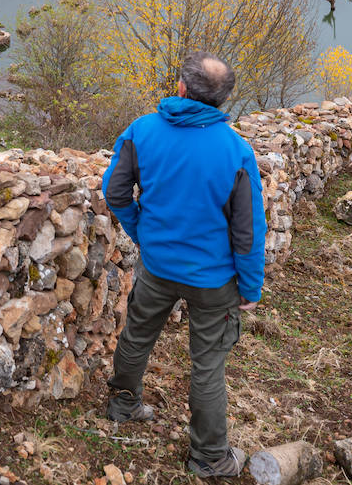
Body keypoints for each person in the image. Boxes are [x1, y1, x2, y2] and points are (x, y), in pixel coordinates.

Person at [100, 51, 266, 479]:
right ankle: (209, 458)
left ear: (181, 88)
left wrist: (143, 234)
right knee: (207, 365)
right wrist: (250, 288)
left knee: (138, 334)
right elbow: (247, 233)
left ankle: (123, 405)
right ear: (223, 100)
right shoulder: (236, 151)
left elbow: (116, 192)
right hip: (214, 280)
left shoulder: (143, 131)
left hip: (157, 267)